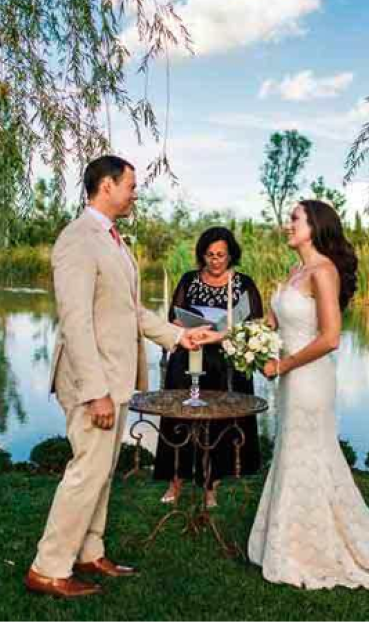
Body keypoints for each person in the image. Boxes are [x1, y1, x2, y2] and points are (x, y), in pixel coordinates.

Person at [25, 155, 210, 598]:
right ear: (106, 185)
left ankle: (89, 551)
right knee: (86, 472)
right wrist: (95, 393)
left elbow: (131, 311)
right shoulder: (77, 240)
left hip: (117, 377)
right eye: (130, 184)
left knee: (102, 472)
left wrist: (180, 337)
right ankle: (48, 567)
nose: (135, 192)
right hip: (94, 382)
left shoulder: (114, 240)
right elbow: (75, 322)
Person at [248, 200, 369, 589]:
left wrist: (283, 364)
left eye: (294, 219)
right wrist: (243, 341)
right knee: (293, 452)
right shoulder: (296, 271)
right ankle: (290, 540)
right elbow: (271, 323)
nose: (287, 225)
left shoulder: (324, 271)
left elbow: (329, 338)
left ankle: (310, 547)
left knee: (307, 453)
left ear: (315, 226)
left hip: (309, 379)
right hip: (291, 378)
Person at [154, 226, 263, 508]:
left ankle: (210, 485)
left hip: (223, 364)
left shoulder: (244, 284)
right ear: (202, 254)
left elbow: (254, 324)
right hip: (188, 354)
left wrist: (223, 332)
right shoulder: (190, 280)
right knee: (179, 417)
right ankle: (175, 480)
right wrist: (191, 327)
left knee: (218, 423)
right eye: (210, 255)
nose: (215, 261)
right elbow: (173, 318)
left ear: (231, 255)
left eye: (221, 256)